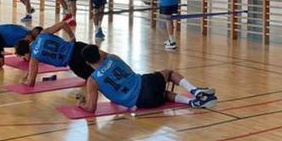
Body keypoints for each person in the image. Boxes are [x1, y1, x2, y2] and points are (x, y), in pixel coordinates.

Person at [79, 44, 217, 112]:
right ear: (99, 52)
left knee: (163, 95)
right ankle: (195, 91)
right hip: (145, 83)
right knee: (168, 73)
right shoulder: (112, 58)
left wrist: (82, 105)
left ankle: (191, 103)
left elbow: (91, 108)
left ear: (87, 62)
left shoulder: (93, 80)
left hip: (143, 102)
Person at [13, 13, 94, 86]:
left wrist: (22, 81)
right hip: (77, 47)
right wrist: (72, 36)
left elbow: (31, 83)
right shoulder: (42, 34)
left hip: (73, 62)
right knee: (102, 63)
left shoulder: (34, 59)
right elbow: (63, 23)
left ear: (25, 53)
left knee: (93, 79)